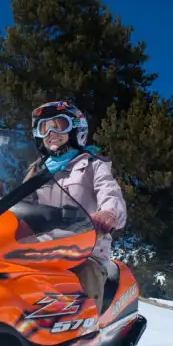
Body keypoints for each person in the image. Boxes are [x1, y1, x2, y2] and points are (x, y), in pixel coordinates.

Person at [27, 100, 127, 314]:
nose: (51, 133)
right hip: (40, 248)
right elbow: (20, 202)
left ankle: (85, 334)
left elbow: (109, 192)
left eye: (59, 125)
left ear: (75, 129)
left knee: (85, 272)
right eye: (44, 128)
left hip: (84, 249)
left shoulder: (93, 165)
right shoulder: (36, 171)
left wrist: (108, 213)